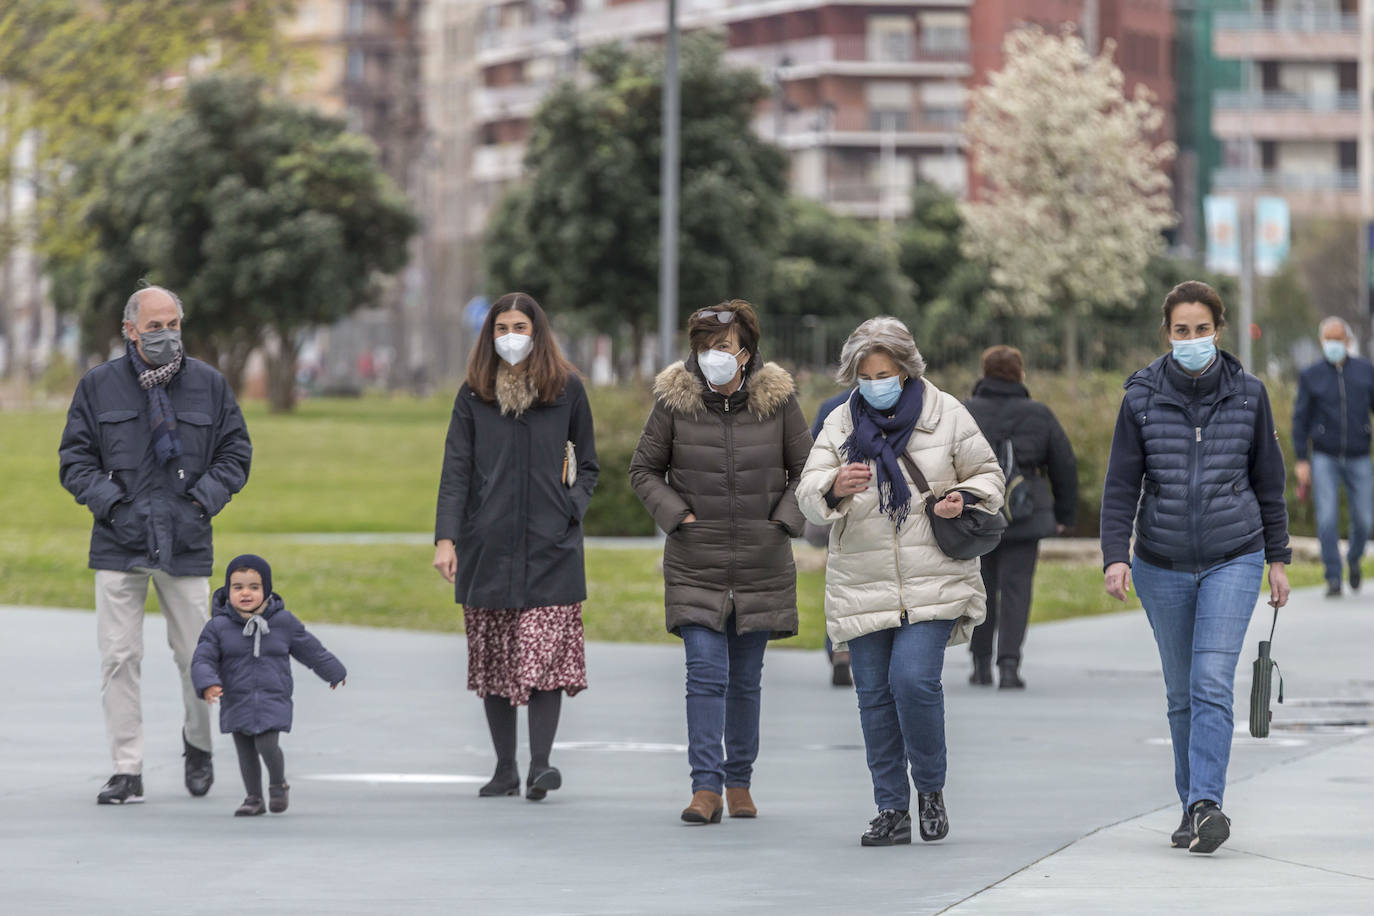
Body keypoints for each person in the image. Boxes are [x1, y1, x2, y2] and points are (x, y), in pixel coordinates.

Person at [797, 317, 1003, 848]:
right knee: (873, 696)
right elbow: (808, 495)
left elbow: (989, 477)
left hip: (934, 576)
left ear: (907, 371)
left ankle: (930, 791)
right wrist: (835, 486)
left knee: (913, 682)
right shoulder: (840, 424)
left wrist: (963, 496)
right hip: (862, 580)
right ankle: (891, 808)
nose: (874, 383)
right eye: (864, 375)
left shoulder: (946, 414)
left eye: (884, 373)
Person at [1101, 281, 1291, 855]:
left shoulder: (1250, 394)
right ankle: (1191, 807)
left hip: (1235, 553)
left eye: (1201, 329)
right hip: (1161, 562)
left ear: (1219, 330)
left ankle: (1208, 802)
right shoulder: (1139, 396)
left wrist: (1278, 559)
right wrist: (1116, 555)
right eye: (1181, 331)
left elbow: (1269, 479)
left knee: (1210, 682)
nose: (1192, 340)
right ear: (1167, 334)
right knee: (1182, 692)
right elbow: (1120, 485)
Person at [59, 285, 252, 806]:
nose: (166, 335)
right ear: (130, 330)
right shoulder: (98, 387)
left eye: (173, 325)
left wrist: (200, 503)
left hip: (186, 539)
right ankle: (127, 768)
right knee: (119, 657)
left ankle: (198, 744)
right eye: (154, 327)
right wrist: (114, 506)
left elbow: (236, 453)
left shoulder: (209, 384)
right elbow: (74, 462)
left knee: (197, 657)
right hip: (119, 540)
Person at [629, 299, 811, 825]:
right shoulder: (675, 402)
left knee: (745, 679)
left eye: (723, 346)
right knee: (705, 673)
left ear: (746, 352)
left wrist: (782, 520)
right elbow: (644, 470)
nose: (712, 355)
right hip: (696, 563)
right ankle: (704, 788)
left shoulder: (778, 403)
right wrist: (678, 517)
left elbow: (809, 468)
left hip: (761, 562)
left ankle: (739, 782)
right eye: (704, 346)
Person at [433, 292, 599, 802]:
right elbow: (455, 471)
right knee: (497, 660)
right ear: (489, 335)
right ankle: (505, 768)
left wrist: (570, 508)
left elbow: (589, 464)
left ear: (538, 331)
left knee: (545, 656)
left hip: (552, 546)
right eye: (501, 328)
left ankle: (541, 767)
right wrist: (447, 538)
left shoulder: (567, 389)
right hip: (489, 546)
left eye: (519, 326)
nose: (510, 336)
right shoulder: (473, 394)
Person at [191, 555, 347, 816]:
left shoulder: (282, 622)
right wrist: (208, 683)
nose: (245, 593)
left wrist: (333, 671)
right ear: (228, 590)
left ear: (266, 590)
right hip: (236, 698)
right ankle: (253, 798)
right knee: (245, 750)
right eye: (238, 587)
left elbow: (310, 649)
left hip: (272, 697)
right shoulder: (218, 627)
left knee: (266, 744)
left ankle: (278, 784)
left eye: (254, 587)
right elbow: (202, 658)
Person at [964, 346, 1078, 689]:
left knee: (980, 588)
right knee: (1017, 590)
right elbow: (1064, 465)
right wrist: (1063, 514)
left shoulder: (965, 411)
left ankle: (981, 664)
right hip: (1026, 514)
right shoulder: (1039, 414)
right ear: (1020, 374)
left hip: (976, 512)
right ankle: (1010, 666)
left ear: (984, 373)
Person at [1292, 316, 1374, 597]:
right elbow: (1300, 419)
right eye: (1329, 339)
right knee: (1326, 518)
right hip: (1324, 456)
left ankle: (1352, 559)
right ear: (1321, 341)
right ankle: (1333, 576)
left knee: (1365, 518)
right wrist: (1302, 459)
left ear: (1348, 341)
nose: (1334, 344)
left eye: (1338, 339)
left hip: (1359, 455)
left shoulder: (1365, 371)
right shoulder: (1311, 375)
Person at [807, 387, 856, 687]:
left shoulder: (832, 405)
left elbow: (812, 457)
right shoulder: (912, 401)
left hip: (839, 506)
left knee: (840, 581)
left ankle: (840, 651)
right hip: (881, 509)